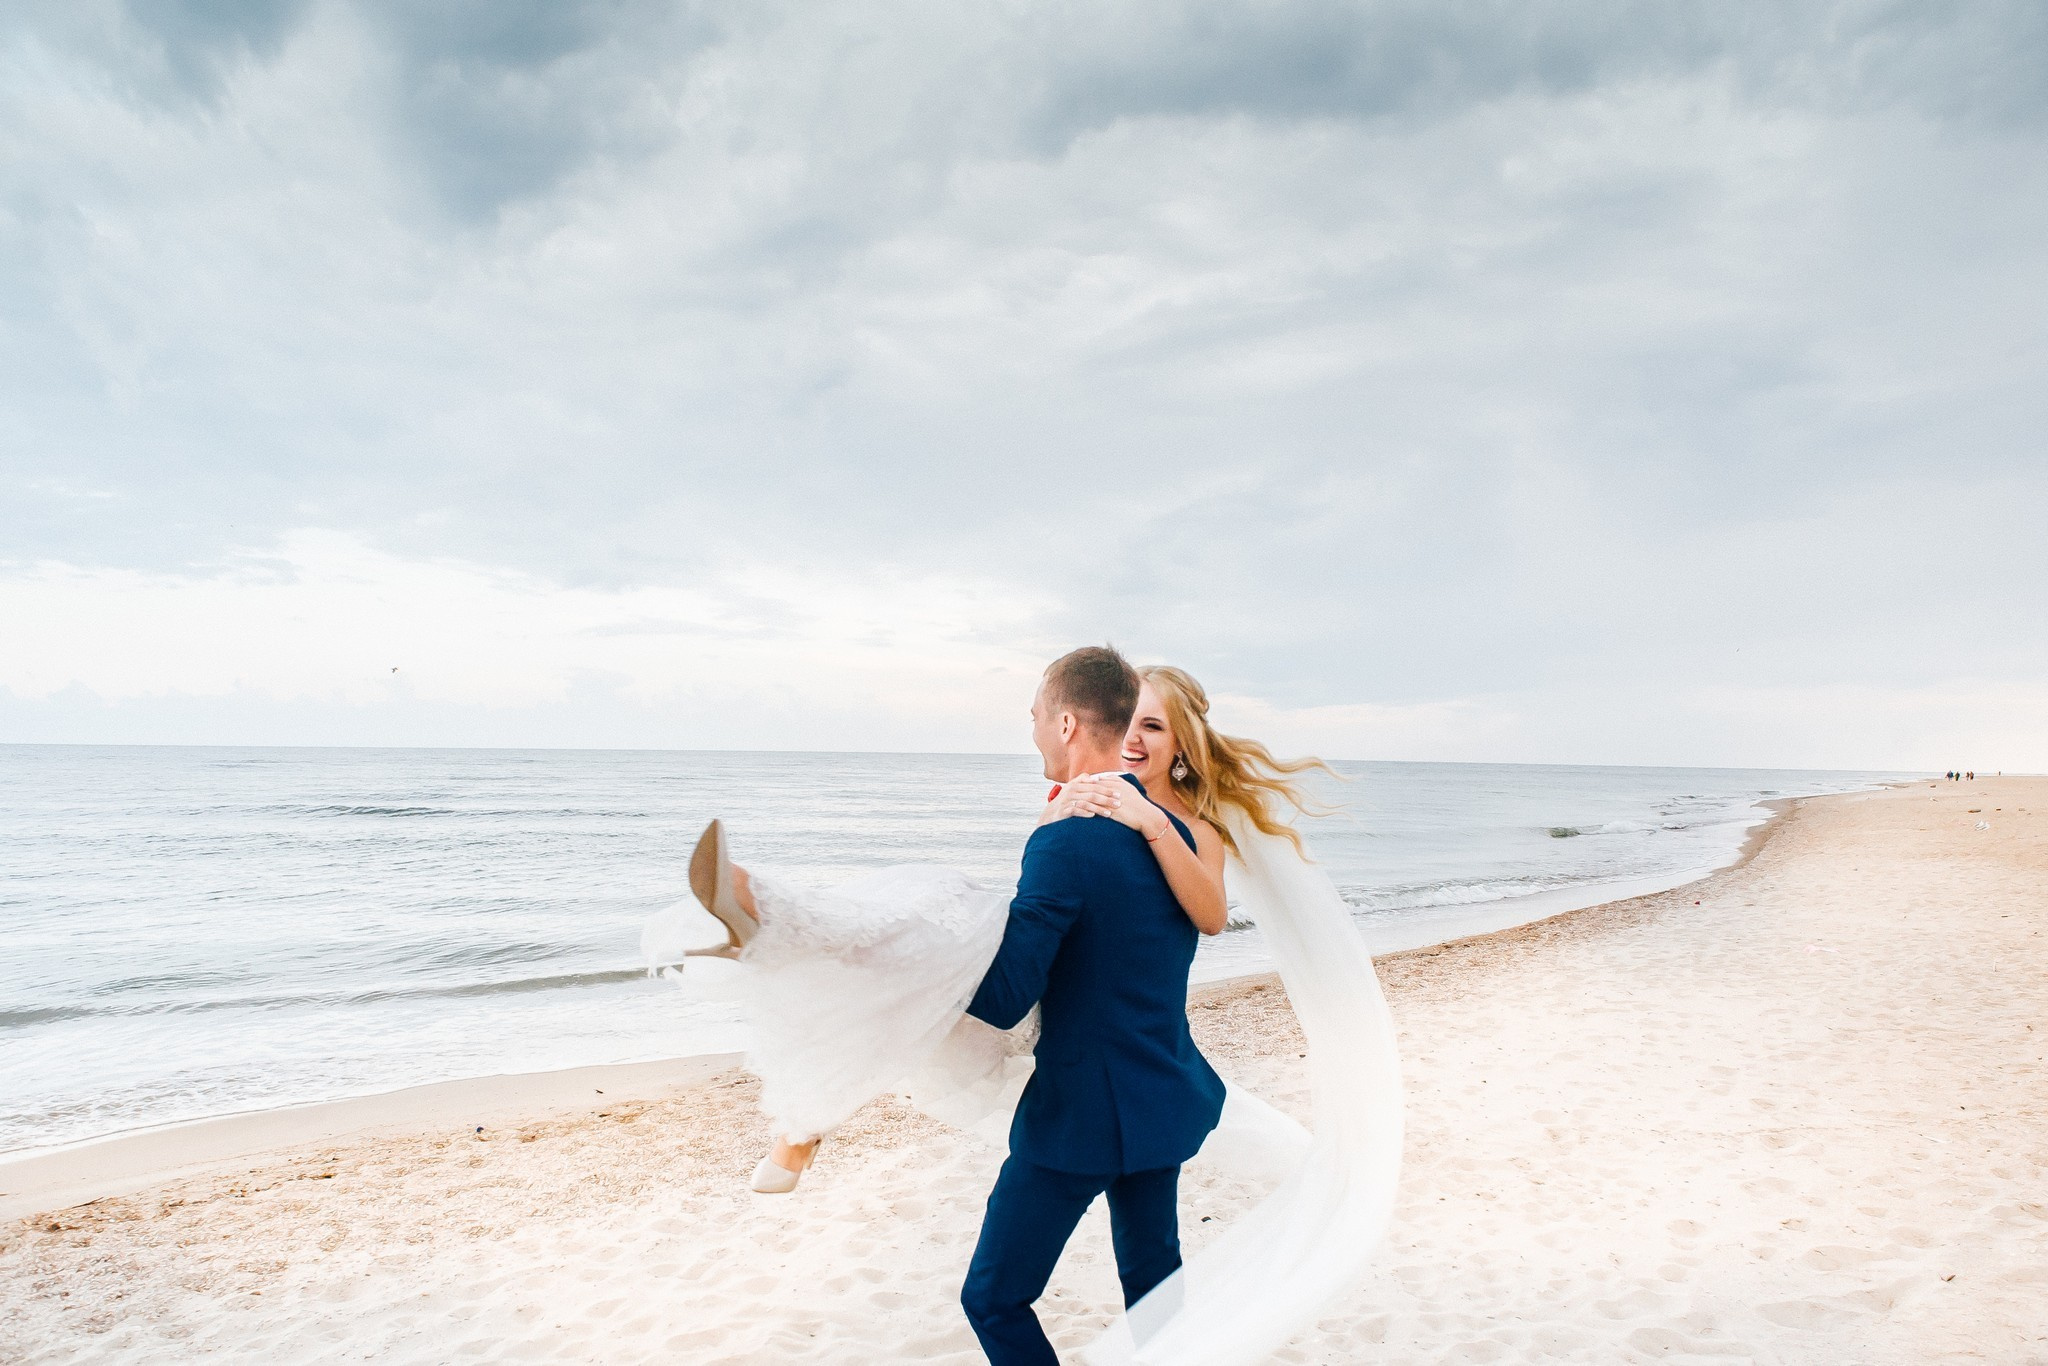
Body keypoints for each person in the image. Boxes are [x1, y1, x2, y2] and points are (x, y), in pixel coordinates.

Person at [665, 647, 1404, 1363]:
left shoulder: (1072, 841)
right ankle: (777, 928)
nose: (1029, 730)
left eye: (1033, 716)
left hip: (1082, 1116)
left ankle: (779, 926)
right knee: (1153, 1282)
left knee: (993, 1299)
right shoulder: (1175, 835)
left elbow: (1006, 997)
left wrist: (912, 981)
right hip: (1162, 1096)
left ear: (1067, 725)